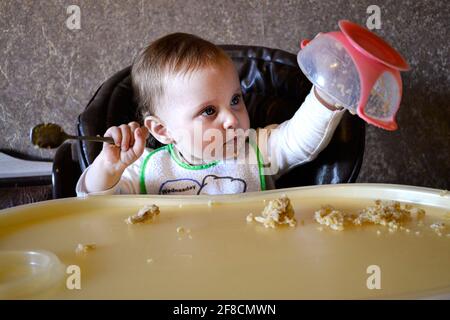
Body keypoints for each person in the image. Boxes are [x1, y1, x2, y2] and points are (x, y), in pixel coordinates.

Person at [76, 33, 345, 196]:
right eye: (209, 111)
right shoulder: (146, 170)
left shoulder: (257, 151)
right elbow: (99, 209)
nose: (232, 119)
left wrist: (328, 94)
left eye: (235, 100)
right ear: (162, 130)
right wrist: (107, 169)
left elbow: (300, 139)